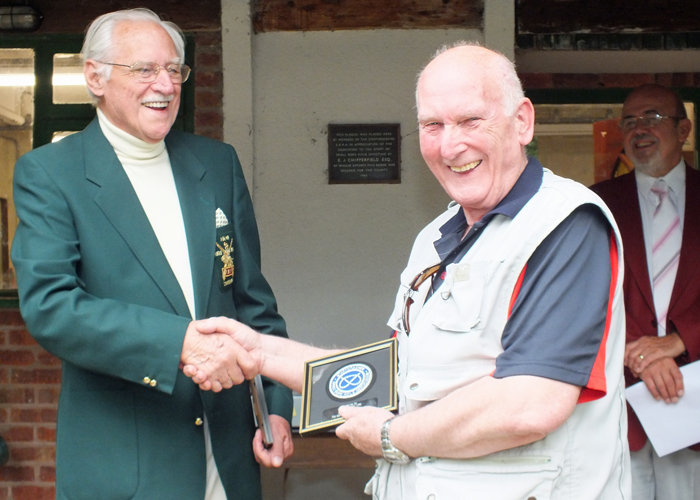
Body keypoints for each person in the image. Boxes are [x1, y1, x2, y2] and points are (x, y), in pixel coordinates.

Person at [187, 43, 631, 499]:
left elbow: (530, 403)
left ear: (522, 121)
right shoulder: (437, 236)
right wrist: (260, 352)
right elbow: (392, 379)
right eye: (432, 125)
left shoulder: (565, 224)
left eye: (470, 121)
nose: (450, 144)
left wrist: (390, 437)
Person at [10, 8, 292, 500]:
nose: (164, 83)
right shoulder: (51, 174)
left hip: (230, 457)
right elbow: (52, 308)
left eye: (174, 69)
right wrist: (180, 342)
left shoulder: (216, 163)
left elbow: (251, 302)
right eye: (143, 69)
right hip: (129, 468)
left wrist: (275, 405)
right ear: (94, 76)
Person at [591, 84, 700, 500]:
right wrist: (637, 353)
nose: (640, 129)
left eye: (652, 117)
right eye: (630, 121)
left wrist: (680, 340)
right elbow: (584, 296)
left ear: (684, 128)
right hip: (619, 400)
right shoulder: (595, 205)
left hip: (692, 397)